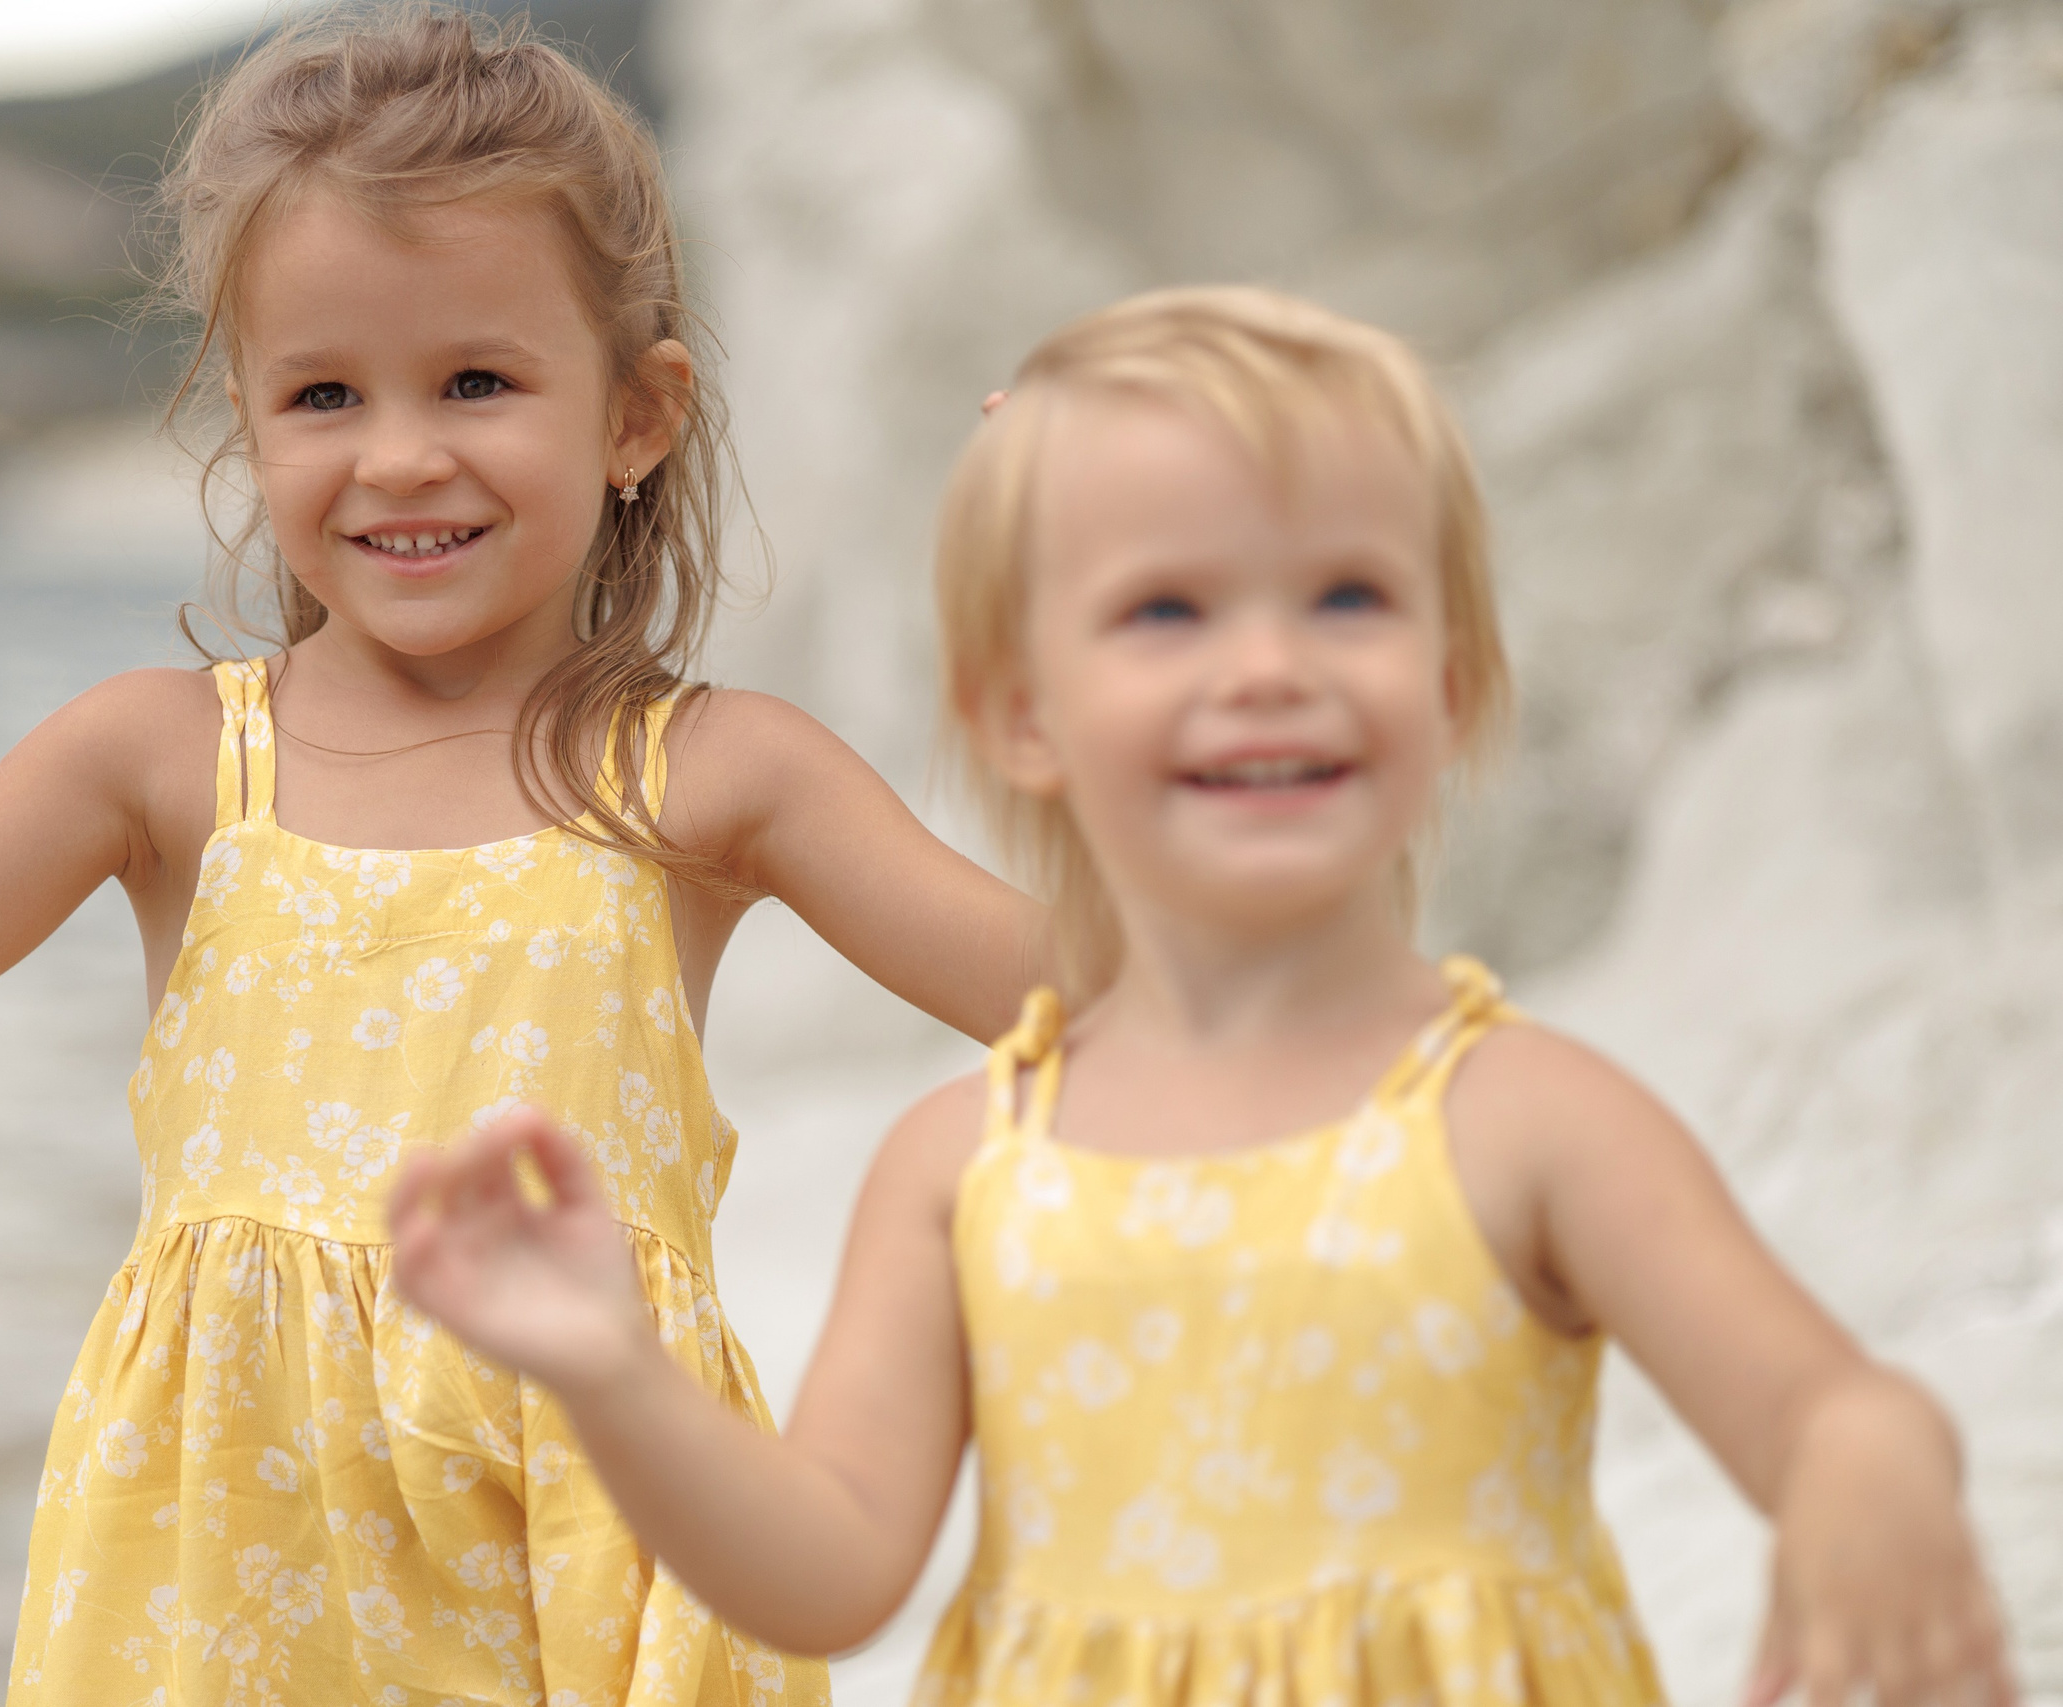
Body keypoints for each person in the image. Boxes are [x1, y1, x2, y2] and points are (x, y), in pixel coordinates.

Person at [0, 11, 1044, 1703]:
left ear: (636, 415)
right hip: (230, 1603)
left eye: (477, 381)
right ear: (249, 423)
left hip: (598, 1574)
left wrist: (1077, 612)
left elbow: (1106, 1016)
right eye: (324, 394)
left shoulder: (708, 776)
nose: (399, 455)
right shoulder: (164, 759)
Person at [390, 286, 2017, 1707]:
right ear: (1024, 714)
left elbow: (1821, 1405)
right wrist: (613, 1371)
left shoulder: (1525, 1120)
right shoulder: (963, 1166)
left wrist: (1871, 1464)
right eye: (1166, 610)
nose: (1265, 667)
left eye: (1348, 598)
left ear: (1452, 685)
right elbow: (829, 1570)